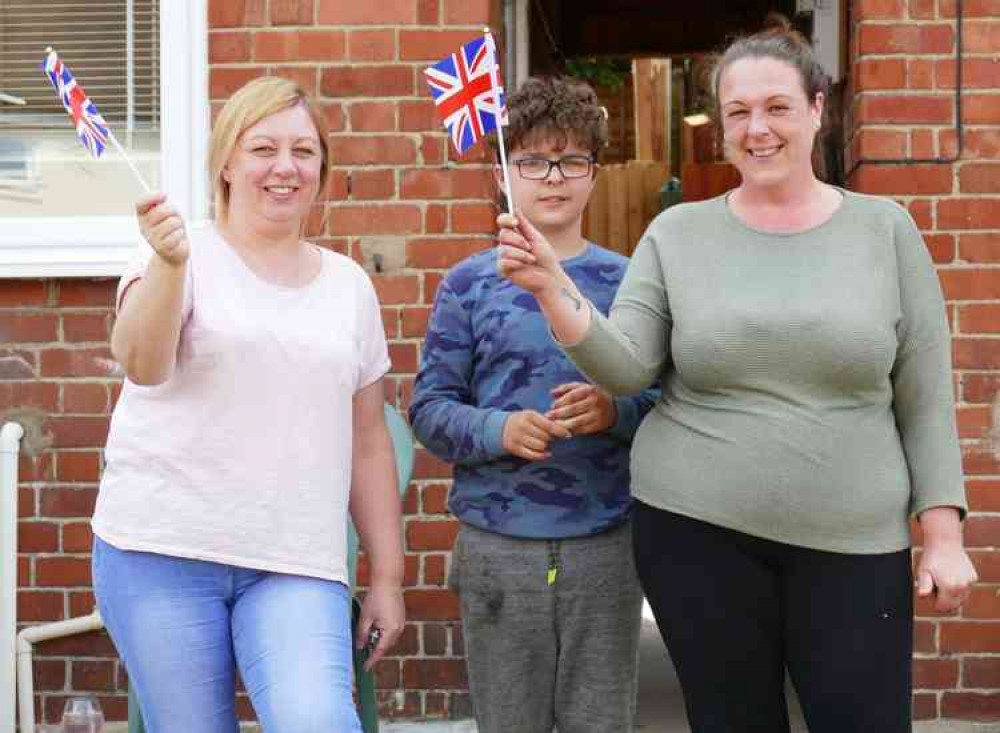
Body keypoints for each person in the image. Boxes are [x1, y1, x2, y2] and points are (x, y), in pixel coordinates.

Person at [497, 19, 978, 733]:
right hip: (696, 534)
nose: (758, 129)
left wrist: (942, 533)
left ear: (818, 109)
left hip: (855, 543)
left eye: (777, 107)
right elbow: (627, 365)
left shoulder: (886, 230)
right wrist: (551, 289)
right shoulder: (678, 234)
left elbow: (925, 393)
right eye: (738, 112)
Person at [91, 76, 405, 733]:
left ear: (322, 166)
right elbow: (142, 363)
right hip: (161, 552)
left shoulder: (349, 287)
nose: (285, 167)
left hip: (294, 563)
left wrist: (389, 578)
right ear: (227, 162)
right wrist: (170, 266)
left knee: (320, 720)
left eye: (304, 150)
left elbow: (369, 439)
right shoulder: (178, 252)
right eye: (263, 147)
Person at [409, 76, 657, 733]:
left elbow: (665, 398)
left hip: (604, 541)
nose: (554, 176)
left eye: (573, 159)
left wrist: (614, 411)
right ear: (503, 171)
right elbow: (428, 407)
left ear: (595, 174)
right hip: (498, 544)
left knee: (599, 718)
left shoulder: (629, 279)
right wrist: (496, 428)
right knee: (508, 719)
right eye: (533, 160)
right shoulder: (466, 286)